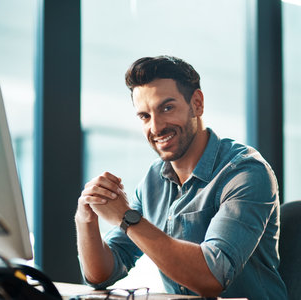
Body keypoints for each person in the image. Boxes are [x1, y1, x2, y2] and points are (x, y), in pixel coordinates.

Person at [75, 55, 287, 300]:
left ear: (197, 103)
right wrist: (86, 217)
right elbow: (102, 275)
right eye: (145, 116)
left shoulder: (246, 173)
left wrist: (126, 217)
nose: (155, 127)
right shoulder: (153, 180)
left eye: (167, 108)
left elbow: (212, 277)